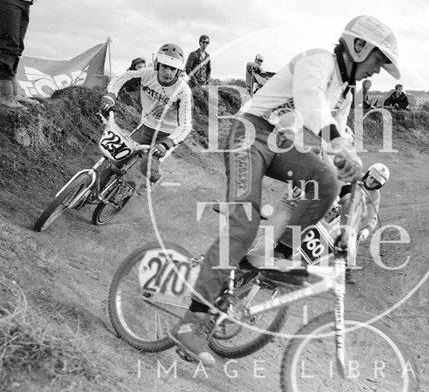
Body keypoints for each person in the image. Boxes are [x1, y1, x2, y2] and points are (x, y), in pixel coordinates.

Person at [168, 15, 400, 366]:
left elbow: (330, 146)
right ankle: (193, 321)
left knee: (327, 180)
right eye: (378, 60)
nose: (378, 71)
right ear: (358, 47)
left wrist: (351, 181)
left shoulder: (347, 90)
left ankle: (274, 255)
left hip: (281, 145)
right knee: (243, 224)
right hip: (250, 133)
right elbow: (310, 101)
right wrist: (338, 144)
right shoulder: (319, 60)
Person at [98, 43, 193, 195]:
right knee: (118, 156)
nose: (168, 72)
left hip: (167, 135)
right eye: (165, 66)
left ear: (178, 70)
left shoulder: (183, 91)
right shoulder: (147, 74)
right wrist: (111, 95)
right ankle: (94, 190)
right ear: (157, 64)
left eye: (173, 68)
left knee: (147, 165)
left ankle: (155, 178)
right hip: (146, 127)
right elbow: (121, 78)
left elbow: (186, 125)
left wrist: (167, 144)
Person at [0, 0, 39, 109]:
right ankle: (5, 95)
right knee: (9, 42)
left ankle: (14, 94)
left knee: (17, 46)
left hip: (25, 2)